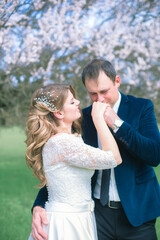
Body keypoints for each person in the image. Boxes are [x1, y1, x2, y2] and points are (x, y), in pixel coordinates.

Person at [30, 59, 160, 240]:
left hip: (138, 213)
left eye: (104, 91)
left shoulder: (142, 107)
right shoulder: (81, 117)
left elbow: (154, 155)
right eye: (93, 94)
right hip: (97, 216)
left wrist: (116, 123)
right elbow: (62, 169)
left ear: (117, 81)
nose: (99, 99)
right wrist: (39, 205)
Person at [25, 83, 122, 240]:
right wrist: (98, 119)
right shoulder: (62, 143)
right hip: (67, 223)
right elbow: (114, 158)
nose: (78, 102)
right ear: (58, 113)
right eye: (71, 101)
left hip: (81, 217)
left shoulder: (70, 139)